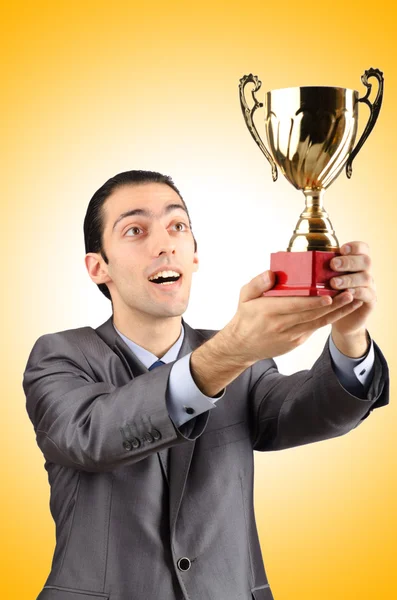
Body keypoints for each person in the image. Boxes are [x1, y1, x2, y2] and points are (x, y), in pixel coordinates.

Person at [23, 169, 389, 600]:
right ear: (97, 267)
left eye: (178, 226)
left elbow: (311, 411)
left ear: (194, 255)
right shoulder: (60, 356)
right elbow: (91, 435)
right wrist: (230, 352)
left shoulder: (244, 364)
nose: (166, 243)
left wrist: (349, 337)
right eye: (136, 230)